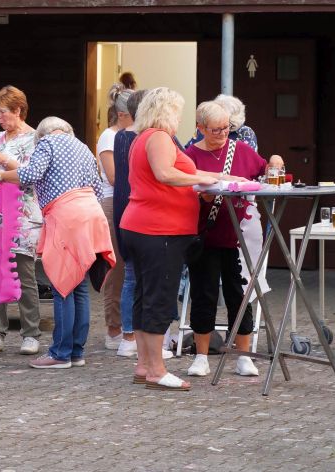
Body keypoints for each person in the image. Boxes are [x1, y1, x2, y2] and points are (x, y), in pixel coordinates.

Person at [119, 87, 239, 391]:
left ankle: (144, 365)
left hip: (142, 227)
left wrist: (222, 178)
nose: (180, 118)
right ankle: (156, 371)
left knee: (145, 297)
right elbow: (165, 174)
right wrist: (203, 179)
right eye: (178, 111)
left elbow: (173, 174)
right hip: (159, 230)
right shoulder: (159, 137)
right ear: (167, 111)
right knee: (158, 298)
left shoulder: (142, 137)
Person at [0, 117, 108, 369]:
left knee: (62, 284)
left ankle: (60, 353)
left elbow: (30, 174)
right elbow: (98, 189)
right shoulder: (82, 146)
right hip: (90, 215)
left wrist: (1, 175)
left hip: (66, 216)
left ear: (41, 135)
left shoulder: (47, 143)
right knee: (79, 287)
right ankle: (76, 351)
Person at [183, 101, 280, 378]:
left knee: (240, 294)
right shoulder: (190, 156)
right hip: (206, 235)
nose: (223, 134)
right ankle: (201, 356)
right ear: (200, 128)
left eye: (227, 128)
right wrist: (201, 197)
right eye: (216, 130)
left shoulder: (241, 149)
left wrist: (274, 161)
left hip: (239, 236)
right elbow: (181, 192)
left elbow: (264, 172)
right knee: (204, 294)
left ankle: (244, 356)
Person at [0, 85, 43, 356]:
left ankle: (31, 333)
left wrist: (0, 161)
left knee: (23, 273)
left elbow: (31, 174)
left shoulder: (35, 139)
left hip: (23, 214)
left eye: (2, 112)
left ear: (18, 110)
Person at [96, 84, 135, 351]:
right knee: (117, 266)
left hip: (129, 200)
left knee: (128, 266)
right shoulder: (109, 137)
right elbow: (113, 177)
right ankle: (113, 327)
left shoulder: (129, 134)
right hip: (113, 202)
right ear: (122, 115)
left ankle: (126, 324)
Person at [111, 89, 147, 358]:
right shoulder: (151, 136)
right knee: (148, 278)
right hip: (145, 212)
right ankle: (150, 337)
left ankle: (128, 337)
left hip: (125, 209)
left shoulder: (122, 136)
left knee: (131, 276)